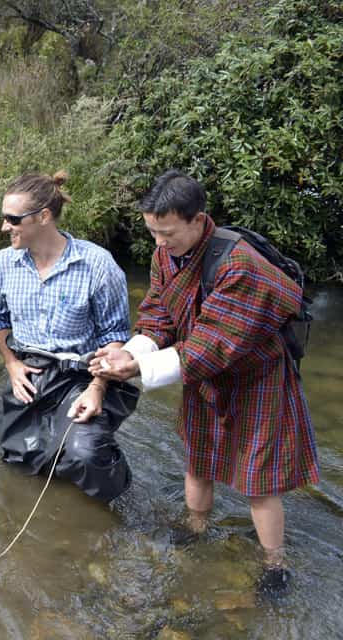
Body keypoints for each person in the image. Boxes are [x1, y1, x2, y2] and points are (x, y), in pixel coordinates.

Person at [89, 170, 320, 597]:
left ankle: (274, 562)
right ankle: (194, 527)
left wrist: (136, 369)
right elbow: (158, 313)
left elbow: (212, 345)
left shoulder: (240, 266)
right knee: (198, 454)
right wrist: (130, 352)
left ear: (198, 220)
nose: (159, 244)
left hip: (256, 377)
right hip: (201, 372)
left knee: (258, 476)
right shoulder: (166, 255)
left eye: (168, 233)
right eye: (153, 233)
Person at [0, 171, 137, 501]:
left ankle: (122, 497)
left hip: (83, 374)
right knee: (22, 461)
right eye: (4, 218)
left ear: (43, 217)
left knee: (83, 453)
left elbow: (114, 336)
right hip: (32, 372)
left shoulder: (97, 264)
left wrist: (98, 388)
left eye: (13, 219)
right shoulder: (3, 264)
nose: (4, 227)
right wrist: (11, 365)